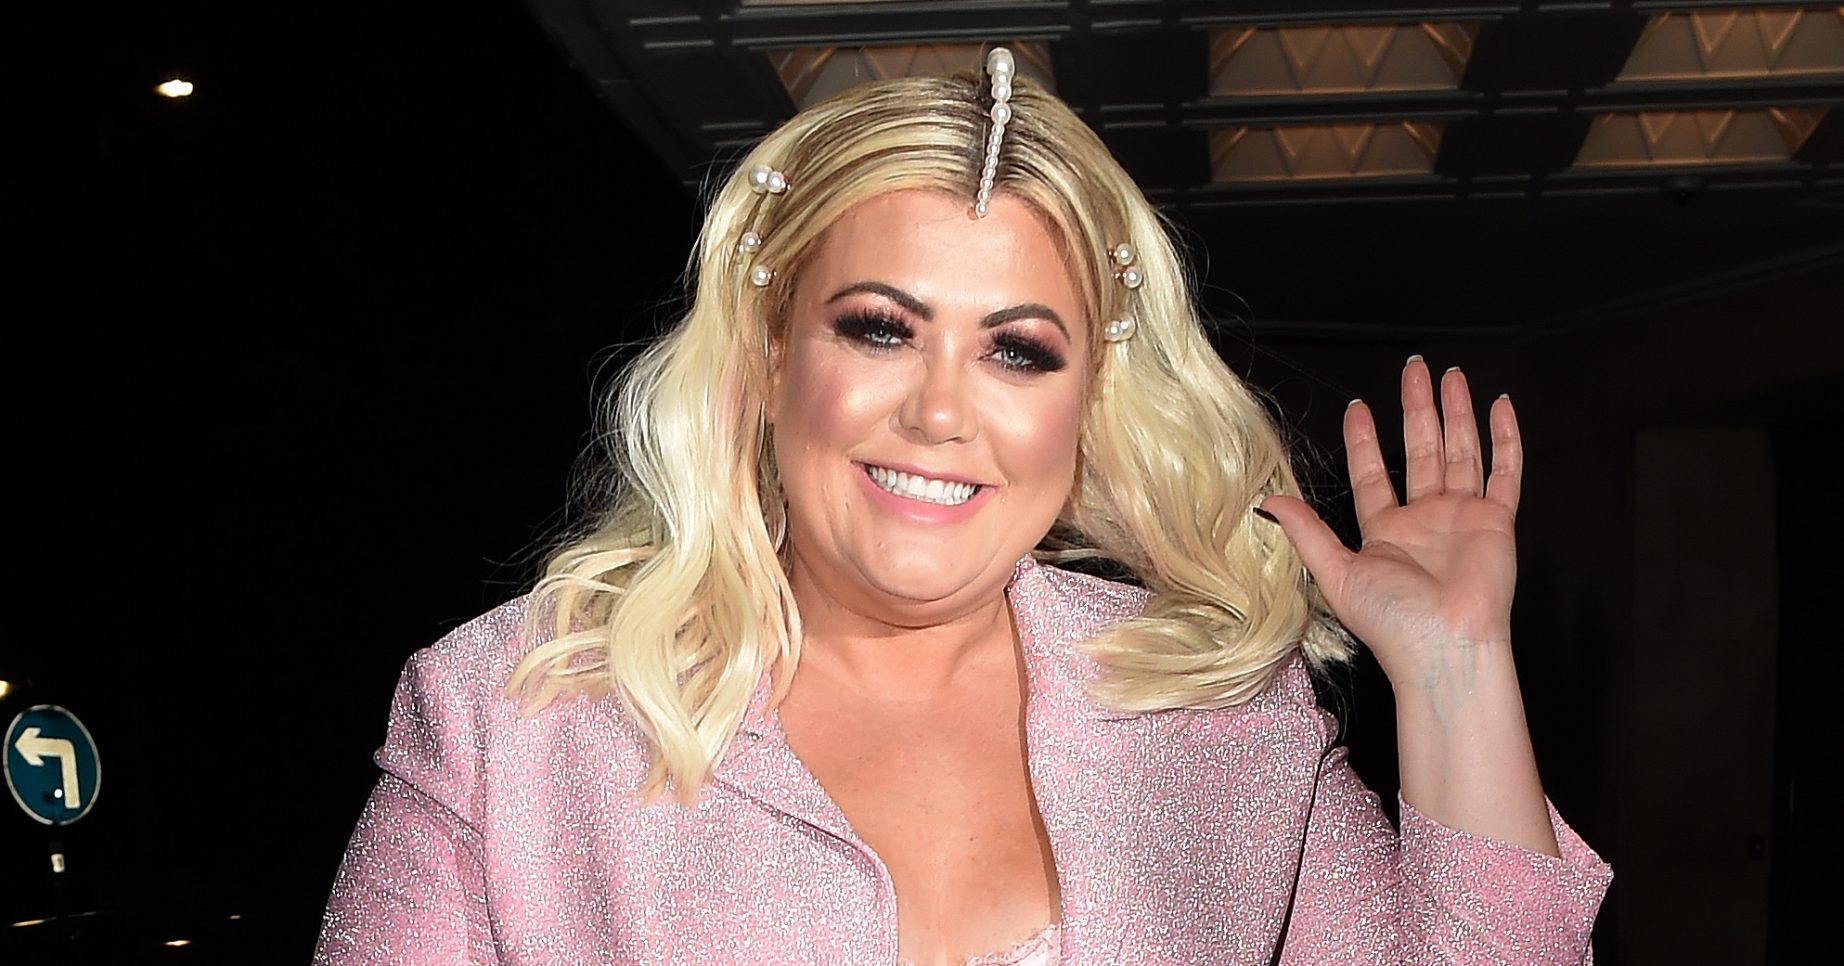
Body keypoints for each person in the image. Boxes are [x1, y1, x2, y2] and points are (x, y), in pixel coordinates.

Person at [314, 49, 1610, 965]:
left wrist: (1453, 673)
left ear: (1085, 403)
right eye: (880, 328)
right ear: (768, 358)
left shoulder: (1221, 709)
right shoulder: (509, 717)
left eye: (1017, 349)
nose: (942, 410)